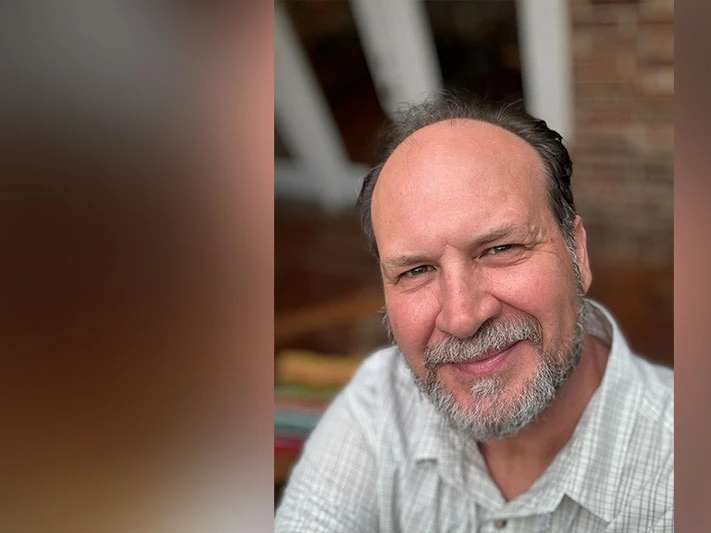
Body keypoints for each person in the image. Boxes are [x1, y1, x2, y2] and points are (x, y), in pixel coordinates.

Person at [275, 93, 673, 532]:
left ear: (577, 251)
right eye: (417, 270)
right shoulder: (378, 402)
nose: (462, 317)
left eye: (500, 249)